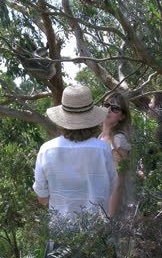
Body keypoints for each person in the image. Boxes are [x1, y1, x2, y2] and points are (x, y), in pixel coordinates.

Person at [33, 85, 117, 255]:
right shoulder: (102, 149)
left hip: (61, 235)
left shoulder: (47, 149)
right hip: (97, 234)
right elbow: (110, 188)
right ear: (92, 118)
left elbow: (42, 198)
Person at [99, 92, 132, 217]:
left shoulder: (118, 140)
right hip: (98, 202)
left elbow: (118, 182)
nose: (108, 110)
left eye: (115, 108)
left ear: (122, 116)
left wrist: (110, 218)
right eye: (106, 105)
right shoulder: (100, 137)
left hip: (111, 208)